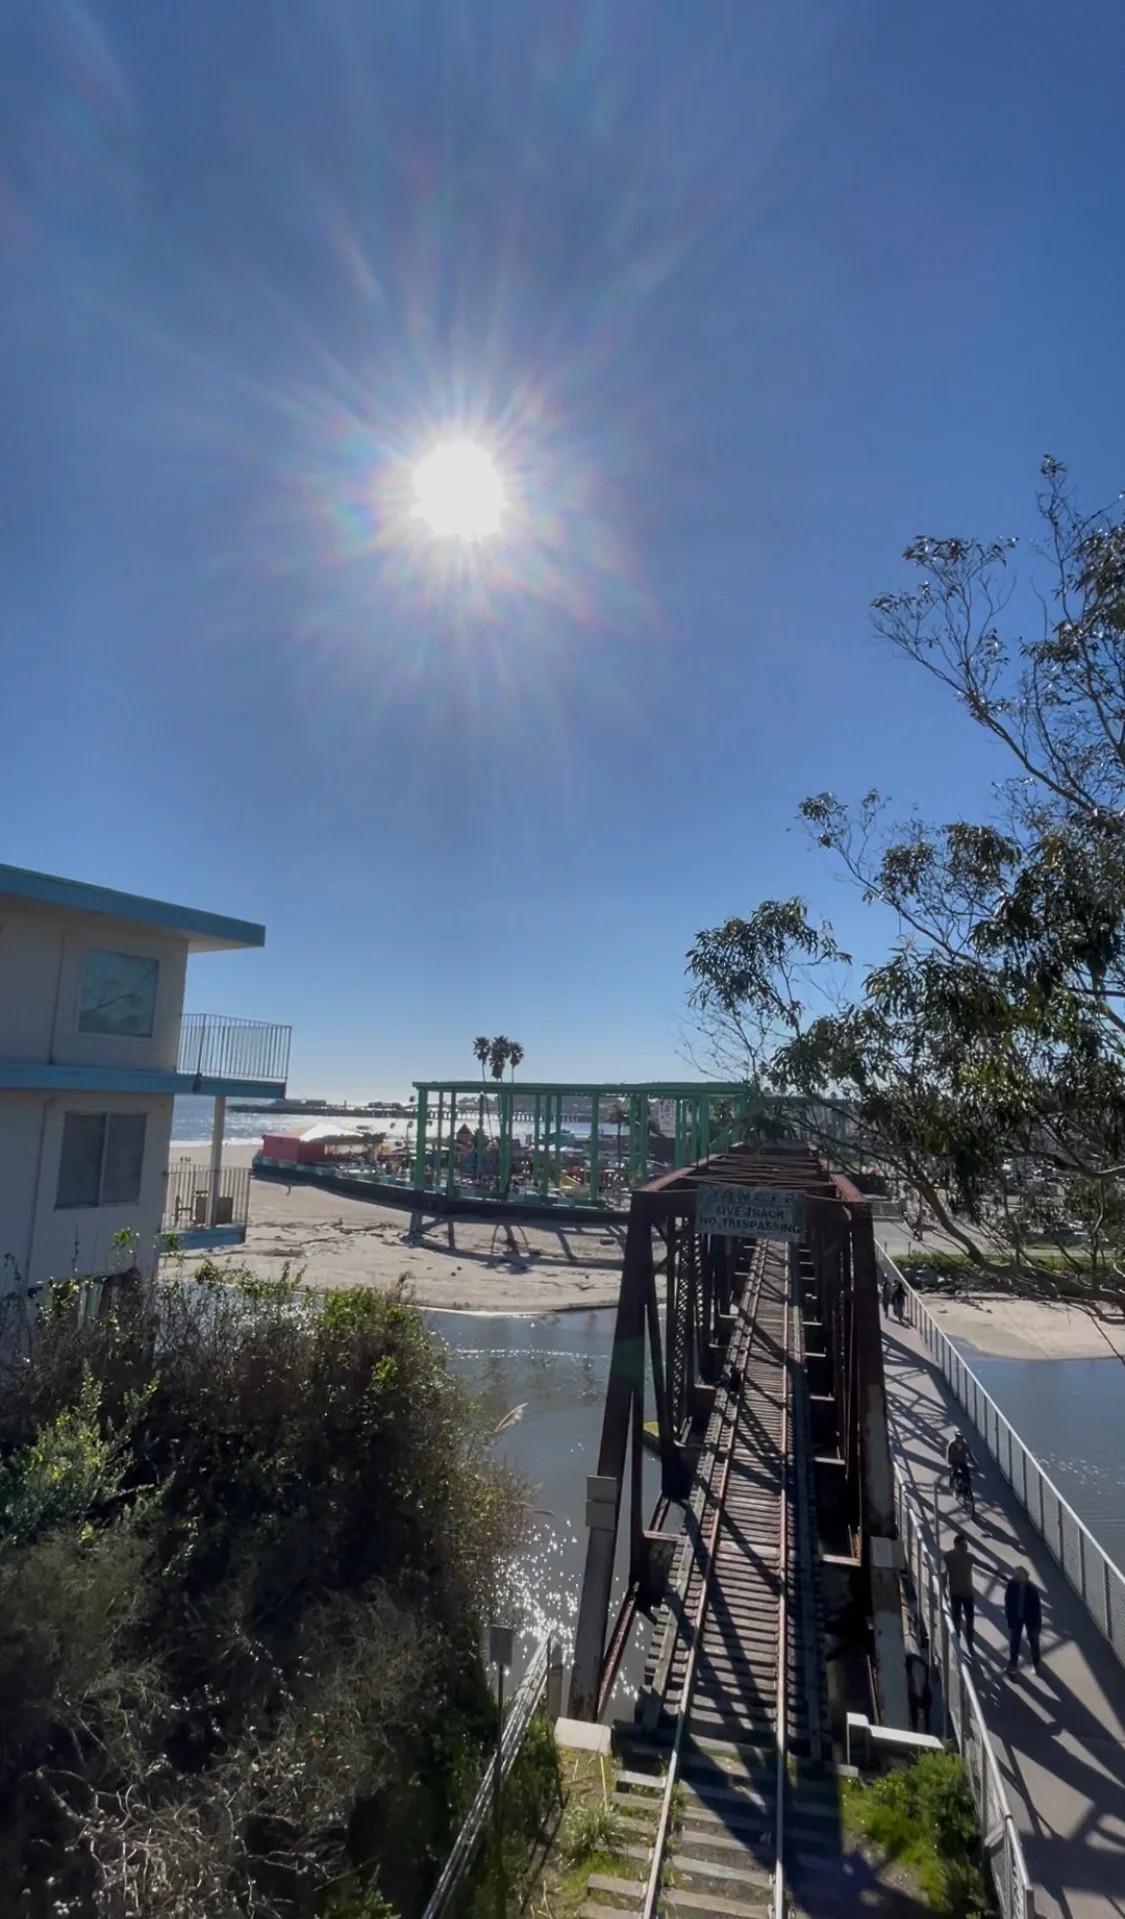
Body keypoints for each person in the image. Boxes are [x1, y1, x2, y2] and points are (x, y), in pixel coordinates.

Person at [1005, 1566, 1043, 1674]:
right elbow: (1008, 1601)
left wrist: (1038, 1626)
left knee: (1033, 1642)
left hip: (1030, 1619)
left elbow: (1037, 1609)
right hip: (1017, 1617)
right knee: (1015, 1641)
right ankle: (1013, 1665)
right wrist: (1009, 1617)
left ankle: (1036, 1664)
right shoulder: (1012, 1585)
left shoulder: (1032, 1589)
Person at [943, 1533, 976, 1655]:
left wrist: (998, 1574)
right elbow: (943, 1575)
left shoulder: (969, 1557)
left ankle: (970, 1645)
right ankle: (957, 1645)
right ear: (956, 1545)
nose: (965, 1547)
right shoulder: (947, 1557)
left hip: (968, 1594)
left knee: (970, 1622)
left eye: (966, 1545)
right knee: (956, 1620)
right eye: (963, 1545)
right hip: (956, 1593)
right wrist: (943, 1591)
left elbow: (984, 1566)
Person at [905, 1650, 933, 1734]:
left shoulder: (912, 1663)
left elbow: (917, 1683)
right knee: (924, 1713)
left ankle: (917, 1729)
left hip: (920, 1694)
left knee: (916, 1711)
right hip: (923, 1694)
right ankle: (924, 1730)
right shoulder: (920, 1663)